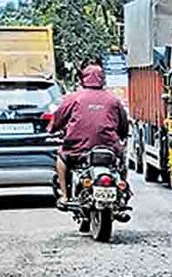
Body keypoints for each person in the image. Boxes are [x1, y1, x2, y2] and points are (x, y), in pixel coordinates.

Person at [49, 64, 129, 208]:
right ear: (102, 80)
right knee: (121, 162)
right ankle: (123, 193)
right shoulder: (113, 100)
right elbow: (123, 125)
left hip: (78, 148)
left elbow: (58, 119)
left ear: (83, 79)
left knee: (62, 159)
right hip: (109, 147)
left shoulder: (74, 98)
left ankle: (65, 196)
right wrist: (121, 137)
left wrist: (52, 128)